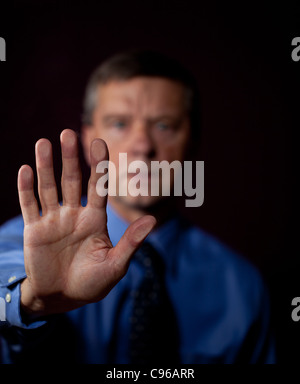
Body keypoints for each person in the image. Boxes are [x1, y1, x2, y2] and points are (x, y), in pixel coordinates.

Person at [0, 50, 275, 364]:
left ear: (193, 141)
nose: (142, 146)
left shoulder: (241, 286)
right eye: (119, 123)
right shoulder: (20, 243)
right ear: (90, 138)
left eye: (164, 125)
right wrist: (34, 301)